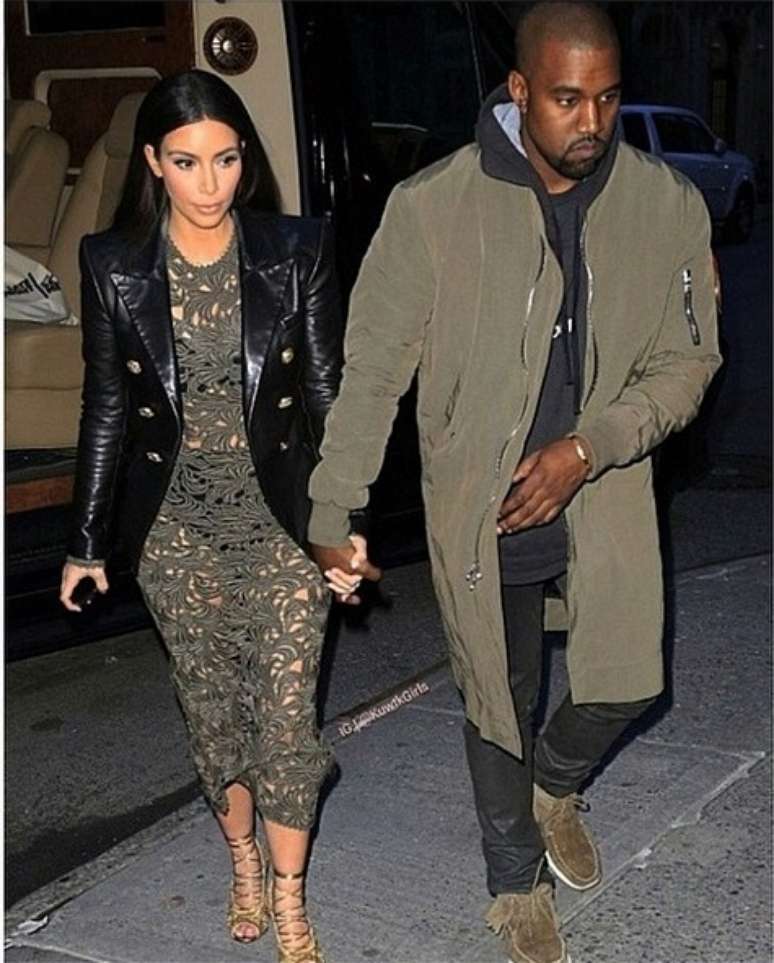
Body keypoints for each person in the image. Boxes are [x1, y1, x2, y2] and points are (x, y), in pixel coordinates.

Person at [306, 4, 722, 962]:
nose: (593, 122)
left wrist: (589, 447)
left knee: (630, 678)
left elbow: (691, 360)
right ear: (521, 91)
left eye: (608, 98)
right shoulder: (433, 207)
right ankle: (514, 883)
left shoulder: (665, 204)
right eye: (568, 99)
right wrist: (335, 503)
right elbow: (373, 370)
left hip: (603, 483)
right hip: (484, 498)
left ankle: (556, 785)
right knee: (500, 694)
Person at [59, 69, 371, 963]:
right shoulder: (114, 264)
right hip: (177, 535)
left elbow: (327, 393)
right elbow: (106, 408)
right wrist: (86, 542)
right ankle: (241, 859)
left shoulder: (296, 250)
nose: (210, 183)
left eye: (227, 160)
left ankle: (291, 897)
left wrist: (342, 524)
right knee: (215, 719)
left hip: (282, 527)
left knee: (287, 721)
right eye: (188, 161)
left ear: (246, 159)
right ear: (154, 162)